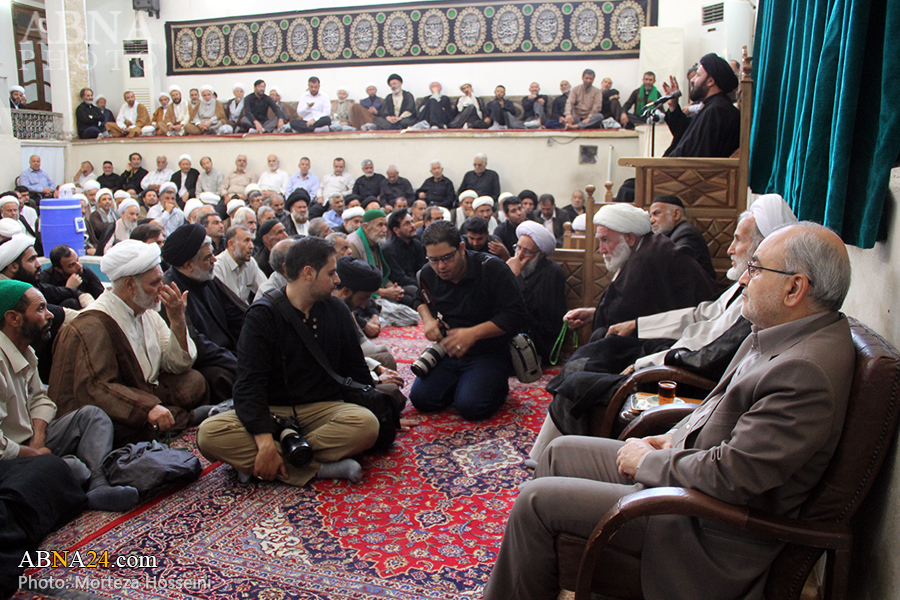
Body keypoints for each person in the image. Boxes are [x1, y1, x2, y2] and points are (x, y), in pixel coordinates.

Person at [483, 221, 855, 600]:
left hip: (702, 527)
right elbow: (717, 410)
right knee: (558, 451)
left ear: (794, 288)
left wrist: (649, 462)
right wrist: (670, 438)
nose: (744, 279)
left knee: (534, 502)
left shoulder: (804, 371)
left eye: (756, 269)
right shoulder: (780, 333)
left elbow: (733, 476)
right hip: (688, 479)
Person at [196, 237, 380, 486]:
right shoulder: (262, 315)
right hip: (272, 412)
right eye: (331, 273)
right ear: (308, 273)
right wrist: (264, 442)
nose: (337, 280)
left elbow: (356, 369)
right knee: (208, 435)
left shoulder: (337, 310)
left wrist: (379, 407)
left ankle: (266, 461)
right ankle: (317, 468)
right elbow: (249, 384)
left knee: (367, 425)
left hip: (322, 409)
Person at [49, 240, 209, 447]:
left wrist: (177, 320)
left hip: (144, 391)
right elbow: (95, 388)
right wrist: (146, 408)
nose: (162, 289)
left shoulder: (145, 311)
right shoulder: (93, 323)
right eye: (154, 283)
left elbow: (177, 364)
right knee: (124, 429)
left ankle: (173, 417)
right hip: (110, 405)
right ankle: (179, 419)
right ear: (130, 285)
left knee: (195, 380)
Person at [0, 280, 140, 513]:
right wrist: (34, 455)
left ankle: (98, 484)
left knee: (93, 417)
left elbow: (40, 399)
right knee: (74, 469)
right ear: (13, 318)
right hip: (8, 457)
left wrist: (38, 439)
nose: (49, 315)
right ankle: (85, 485)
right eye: (40, 309)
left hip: (30, 442)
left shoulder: (25, 350)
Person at [410, 220, 527, 420]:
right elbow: (419, 298)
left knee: (471, 408)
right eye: (434, 259)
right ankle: (467, 383)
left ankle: (491, 384)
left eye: (447, 257)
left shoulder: (491, 269)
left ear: (462, 248)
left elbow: (515, 315)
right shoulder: (428, 273)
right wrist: (428, 320)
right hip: (450, 350)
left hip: (489, 351)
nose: (441, 266)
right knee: (421, 399)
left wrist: (473, 333)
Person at [563, 203, 718, 341]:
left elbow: (617, 318)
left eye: (606, 240)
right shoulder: (647, 247)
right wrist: (593, 314)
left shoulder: (646, 259)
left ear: (630, 238)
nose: (601, 249)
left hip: (691, 338)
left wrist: (596, 316)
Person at [161, 224, 246, 406]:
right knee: (221, 378)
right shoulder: (170, 292)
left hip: (228, 351)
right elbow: (194, 341)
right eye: (208, 257)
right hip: (206, 361)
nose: (215, 260)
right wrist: (236, 362)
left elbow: (238, 315)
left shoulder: (206, 277)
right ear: (189, 265)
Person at [506, 222, 567, 360]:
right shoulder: (518, 267)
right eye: (518, 248)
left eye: (526, 251)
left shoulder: (552, 272)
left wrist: (515, 277)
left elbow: (535, 311)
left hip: (540, 336)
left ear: (540, 254)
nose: (519, 255)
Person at [663, 53, 741, 157]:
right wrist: (673, 106)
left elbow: (694, 152)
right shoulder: (713, 106)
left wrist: (661, 164)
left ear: (710, 81)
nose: (692, 80)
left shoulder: (717, 110)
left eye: (698, 75)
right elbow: (685, 133)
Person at [347, 209, 415, 306]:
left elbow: (382, 275)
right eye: (380, 225)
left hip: (379, 290)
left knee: (413, 292)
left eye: (385, 225)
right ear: (366, 227)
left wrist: (393, 288)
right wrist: (384, 292)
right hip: (365, 298)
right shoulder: (353, 245)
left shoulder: (375, 241)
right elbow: (356, 283)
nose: (384, 230)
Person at [649, 195, 716, 279]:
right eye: (650, 216)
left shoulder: (687, 234)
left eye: (656, 213)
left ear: (676, 214)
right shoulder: (677, 232)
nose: (651, 220)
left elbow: (673, 269)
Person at [383, 208, 425, 289]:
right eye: (407, 224)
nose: (412, 225)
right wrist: (421, 284)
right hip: (399, 287)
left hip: (417, 283)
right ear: (396, 230)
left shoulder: (417, 244)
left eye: (412, 221)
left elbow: (421, 269)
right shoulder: (388, 250)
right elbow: (399, 278)